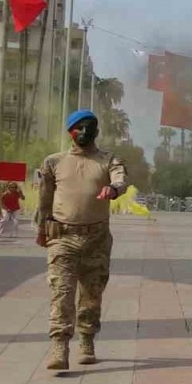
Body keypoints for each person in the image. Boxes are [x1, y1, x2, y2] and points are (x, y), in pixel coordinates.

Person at [38, 110, 127, 370]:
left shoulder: (108, 160)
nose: (85, 132)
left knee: (92, 293)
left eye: (90, 127)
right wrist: (42, 229)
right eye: (79, 128)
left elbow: (120, 178)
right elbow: (45, 199)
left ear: (97, 131)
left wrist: (114, 189)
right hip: (63, 237)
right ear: (70, 132)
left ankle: (87, 339)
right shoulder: (53, 162)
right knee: (61, 291)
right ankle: (59, 345)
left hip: (96, 238)